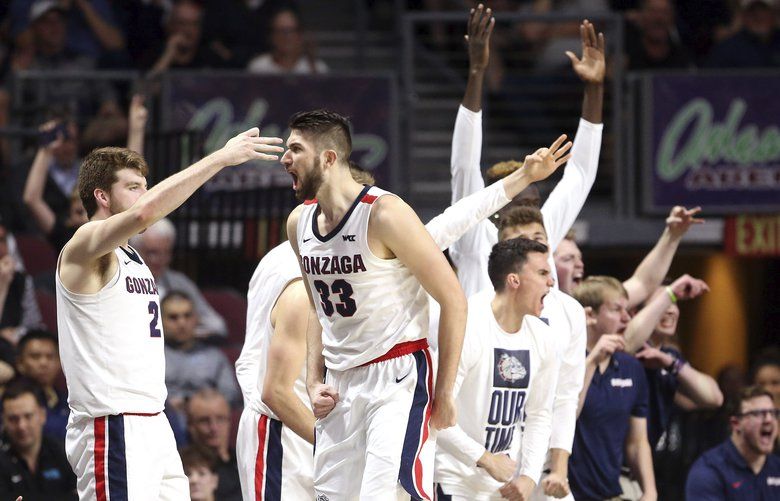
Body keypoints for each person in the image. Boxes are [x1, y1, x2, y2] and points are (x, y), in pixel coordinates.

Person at [238, 143, 571, 500]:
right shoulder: (304, 269)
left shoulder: (368, 250)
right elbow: (274, 389)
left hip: (336, 412)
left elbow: (454, 221)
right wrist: (336, 437)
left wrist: (523, 177)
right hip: (286, 426)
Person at [55, 127, 283, 499]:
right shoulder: (83, 245)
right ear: (101, 196)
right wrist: (220, 159)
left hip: (153, 420)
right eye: (133, 186)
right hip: (113, 422)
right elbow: (147, 211)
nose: (145, 195)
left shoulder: (132, 256)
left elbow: (145, 208)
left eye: (145, 185)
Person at [451, 9, 599, 499]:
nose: (531, 218)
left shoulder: (539, 244)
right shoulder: (479, 242)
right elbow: (463, 169)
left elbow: (579, 177)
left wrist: (594, 92)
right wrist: (476, 73)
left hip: (521, 453)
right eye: (518, 200)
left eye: (534, 205)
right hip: (464, 445)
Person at [284, 107, 468, 500]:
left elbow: (453, 299)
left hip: (397, 376)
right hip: (340, 384)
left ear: (328, 159)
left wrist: (445, 393)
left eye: (296, 149)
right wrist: (313, 380)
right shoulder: (298, 223)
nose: (286, 159)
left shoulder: (385, 213)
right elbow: (318, 307)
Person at [435, 238, 560, 500]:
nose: (551, 281)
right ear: (514, 280)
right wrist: (484, 458)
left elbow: (539, 414)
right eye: (542, 273)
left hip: (500, 485)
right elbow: (436, 414)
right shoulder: (468, 327)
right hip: (451, 478)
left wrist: (528, 475)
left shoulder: (543, 337)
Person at [569, 276, 657, 501]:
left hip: (611, 493)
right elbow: (566, 417)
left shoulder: (631, 367)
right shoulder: (566, 360)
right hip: (563, 492)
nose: (626, 318)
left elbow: (637, 442)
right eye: (616, 309)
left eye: (627, 310)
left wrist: (649, 491)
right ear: (590, 315)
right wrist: (591, 363)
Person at [131, 218, 228, 338]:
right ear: (135, 250)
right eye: (153, 253)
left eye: (166, 253)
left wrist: (182, 333)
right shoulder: (124, 282)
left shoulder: (180, 283)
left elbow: (217, 326)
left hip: (179, 353)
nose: (161, 260)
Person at [685, 386, 780, 499]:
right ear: (736, 423)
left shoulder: (777, 467)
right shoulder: (709, 470)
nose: (769, 420)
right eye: (758, 414)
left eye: (773, 413)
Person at [0, 379, 77, 500]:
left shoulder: (63, 452)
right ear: (3, 420)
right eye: (13, 419)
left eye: (28, 416)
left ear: (42, 415)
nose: (22, 426)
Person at [162, 291, 240, 408]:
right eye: (173, 317)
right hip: (163, 417)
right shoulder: (151, 355)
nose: (182, 323)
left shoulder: (215, 357)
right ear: (160, 320)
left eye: (187, 315)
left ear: (196, 319)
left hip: (207, 419)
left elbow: (231, 395)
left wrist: (193, 403)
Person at [186, 388, 241, 501]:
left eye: (220, 419)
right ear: (191, 425)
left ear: (229, 422)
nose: (214, 428)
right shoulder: (181, 466)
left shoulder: (244, 463)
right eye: (204, 421)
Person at [15, 330, 69, 443]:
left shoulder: (69, 400)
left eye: (50, 357)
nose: (43, 363)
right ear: (20, 362)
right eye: (35, 356)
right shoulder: (12, 400)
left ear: (60, 362)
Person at [247, 8, 328, 75]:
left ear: (300, 35)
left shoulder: (317, 68)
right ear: (272, 36)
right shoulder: (258, 67)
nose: (287, 37)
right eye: (281, 31)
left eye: (291, 31)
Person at [0, 221, 43, 346]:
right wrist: (2, 286)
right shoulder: (6, 279)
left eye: (2, 240)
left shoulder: (20, 279)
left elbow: (34, 326)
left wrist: (16, 334)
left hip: (13, 347)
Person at [706, 0, 780, 68]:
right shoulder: (726, 49)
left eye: (764, 10)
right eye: (752, 11)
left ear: (774, 13)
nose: (758, 16)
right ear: (743, 16)